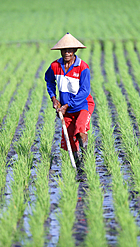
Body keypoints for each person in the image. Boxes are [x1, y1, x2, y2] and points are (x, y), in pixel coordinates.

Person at [45, 32, 95, 171]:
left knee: (80, 129)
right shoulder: (55, 66)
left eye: (70, 50)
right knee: (69, 140)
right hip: (66, 109)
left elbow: (85, 91)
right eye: (64, 50)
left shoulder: (82, 67)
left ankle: (86, 161)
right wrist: (54, 98)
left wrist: (67, 105)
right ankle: (78, 165)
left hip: (83, 105)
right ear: (60, 51)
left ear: (75, 51)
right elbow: (49, 81)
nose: (67, 53)